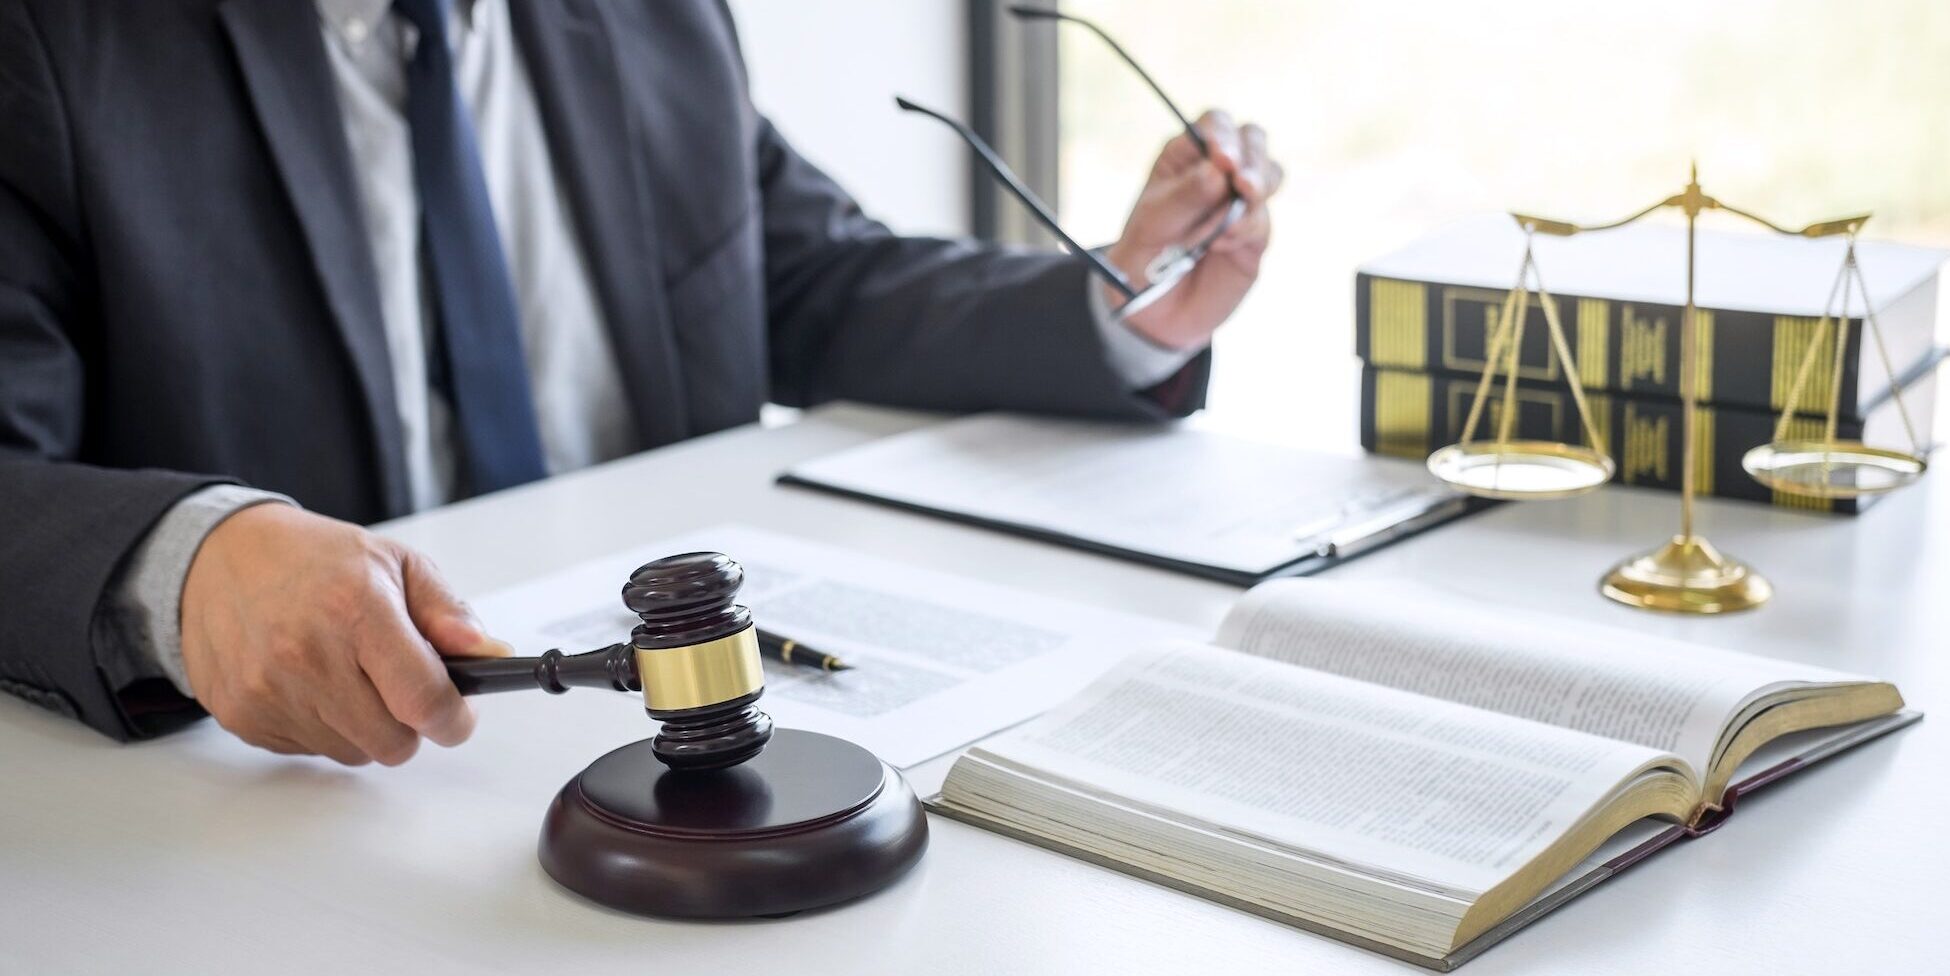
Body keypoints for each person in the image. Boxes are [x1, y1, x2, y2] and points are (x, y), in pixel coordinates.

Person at [0, 0, 1281, 765]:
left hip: (680, 726)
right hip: (307, 794)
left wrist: (1112, 302)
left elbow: (798, 278)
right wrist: (184, 563)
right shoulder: (53, 47)